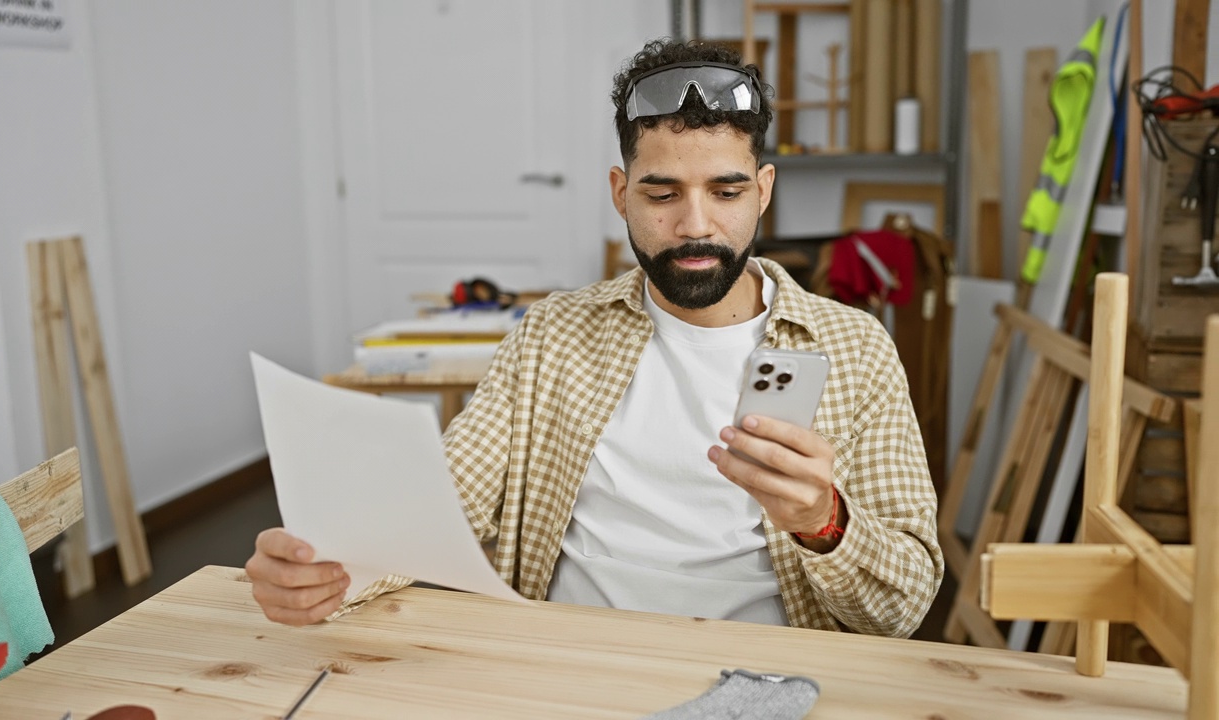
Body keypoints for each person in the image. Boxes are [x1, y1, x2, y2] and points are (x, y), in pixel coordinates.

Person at [246, 39, 943, 638]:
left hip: (761, 677)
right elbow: (441, 504)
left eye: (726, 193)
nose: (695, 226)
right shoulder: (552, 336)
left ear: (763, 191)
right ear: (621, 193)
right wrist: (332, 569)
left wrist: (825, 522)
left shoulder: (856, 349)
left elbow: (903, 606)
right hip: (568, 669)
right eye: (662, 194)